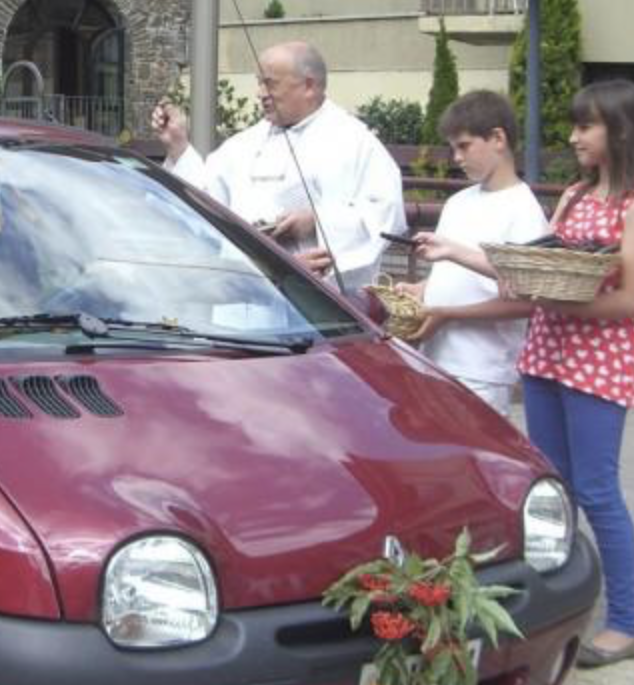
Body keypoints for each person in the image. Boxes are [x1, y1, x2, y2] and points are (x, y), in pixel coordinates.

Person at [518, 80, 634, 667]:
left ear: (621, 131)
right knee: (553, 488)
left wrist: (559, 304)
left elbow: (630, 301)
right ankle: (553, 603)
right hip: (549, 353)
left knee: (598, 490)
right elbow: (548, 258)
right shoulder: (576, 196)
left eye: (587, 126)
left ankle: (625, 622)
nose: (575, 136)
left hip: (599, 364)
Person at [150, 41, 405, 299]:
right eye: (259, 82)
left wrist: (316, 222)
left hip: (323, 302)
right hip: (246, 296)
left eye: (270, 83)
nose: (260, 93)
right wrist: (178, 147)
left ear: (309, 86)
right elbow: (204, 201)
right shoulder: (243, 144)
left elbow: (386, 214)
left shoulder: (354, 141)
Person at [391, 91, 548, 417]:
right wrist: (420, 293)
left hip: (481, 370)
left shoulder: (524, 210)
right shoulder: (458, 202)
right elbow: (452, 278)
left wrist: (449, 313)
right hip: (432, 360)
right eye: (453, 148)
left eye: (464, 146)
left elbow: (525, 301)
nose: (457, 158)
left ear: (497, 138)